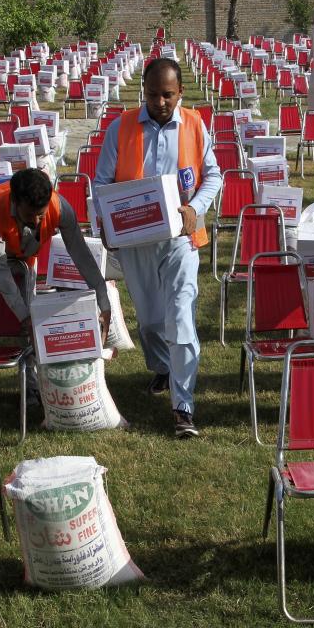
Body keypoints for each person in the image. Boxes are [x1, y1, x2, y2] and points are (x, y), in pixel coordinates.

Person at [93, 58, 222, 438]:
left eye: (167, 94)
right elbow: (101, 183)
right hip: (137, 242)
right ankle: (163, 367)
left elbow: (213, 175)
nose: (160, 102)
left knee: (181, 318)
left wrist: (195, 209)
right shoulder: (121, 128)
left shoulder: (196, 125)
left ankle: (184, 407)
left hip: (180, 240)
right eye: (153, 95)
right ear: (143, 92)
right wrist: (109, 219)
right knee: (150, 323)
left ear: (180, 92)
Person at [0, 168, 112, 399]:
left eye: (41, 215)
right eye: (30, 216)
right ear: (14, 203)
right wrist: (24, 315)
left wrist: (102, 298)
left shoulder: (60, 207)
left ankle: (31, 383)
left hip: (21, 254)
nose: (37, 222)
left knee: (30, 316)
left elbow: (80, 252)